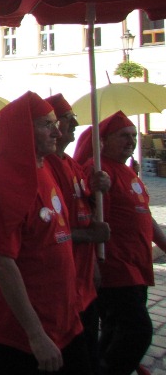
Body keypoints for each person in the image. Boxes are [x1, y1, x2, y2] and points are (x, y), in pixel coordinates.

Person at [0, 91, 91, 374]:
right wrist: (36, 334)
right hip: (24, 339)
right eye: (47, 124)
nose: (57, 131)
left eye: (56, 123)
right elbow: (1, 261)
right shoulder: (3, 179)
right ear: (23, 129)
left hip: (63, 322)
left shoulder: (44, 168)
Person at [74, 111, 166, 375]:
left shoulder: (127, 171)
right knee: (137, 331)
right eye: (124, 136)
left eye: (133, 135)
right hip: (116, 267)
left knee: (116, 329)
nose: (131, 141)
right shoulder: (98, 172)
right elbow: (89, 217)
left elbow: (145, 215)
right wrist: (94, 264)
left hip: (137, 265)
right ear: (103, 141)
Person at [44, 94, 110, 372]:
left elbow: (84, 207)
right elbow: (52, 232)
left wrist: (97, 191)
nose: (74, 124)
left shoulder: (72, 165)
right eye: (68, 118)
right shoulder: (45, 168)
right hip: (63, 283)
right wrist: (91, 237)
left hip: (84, 280)